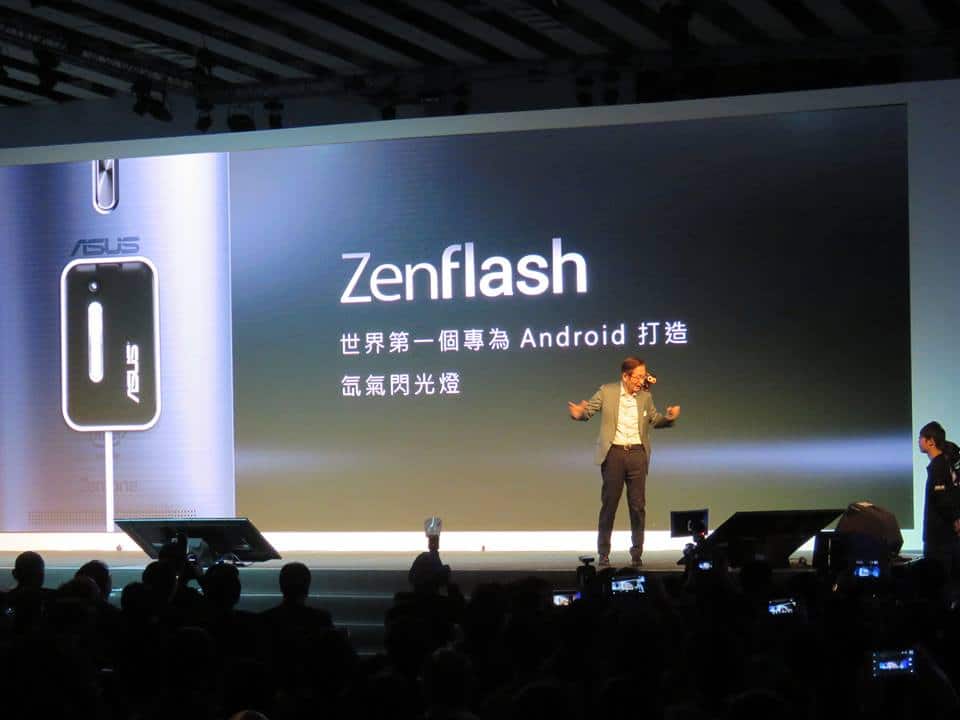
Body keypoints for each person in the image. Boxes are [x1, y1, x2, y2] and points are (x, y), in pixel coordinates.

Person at [568, 356, 680, 567]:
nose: (641, 380)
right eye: (637, 376)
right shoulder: (607, 391)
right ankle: (603, 553)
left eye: (643, 376)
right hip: (614, 454)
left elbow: (655, 419)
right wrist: (578, 414)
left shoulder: (645, 396)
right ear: (625, 376)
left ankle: (637, 553)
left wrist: (669, 418)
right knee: (609, 504)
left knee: (638, 506)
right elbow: (588, 411)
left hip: (637, 454)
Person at [919, 421, 960, 578]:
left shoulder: (939, 466)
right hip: (946, 538)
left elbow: (942, 500)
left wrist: (955, 518)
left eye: (921, 437)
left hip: (939, 540)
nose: (918, 441)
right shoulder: (946, 464)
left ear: (931, 441)